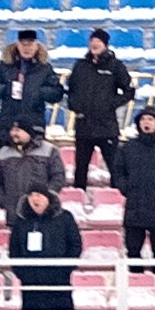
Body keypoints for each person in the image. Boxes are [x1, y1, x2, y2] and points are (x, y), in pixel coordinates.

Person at [111, 105, 155, 279]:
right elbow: (118, 172)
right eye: (143, 119)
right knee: (133, 249)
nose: (146, 123)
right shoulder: (128, 147)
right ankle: (137, 284)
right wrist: (126, 188)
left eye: (150, 119)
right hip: (134, 206)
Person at [65, 28, 135, 192]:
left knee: (115, 167)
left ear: (105, 44)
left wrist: (111, 103)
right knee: (80, 169)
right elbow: (71, 89)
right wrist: (74, 104)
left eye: (98, 41)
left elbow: (129, 91)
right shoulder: (80, 66)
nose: (94, 44)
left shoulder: (115, 66)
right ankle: (78, 199)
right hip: (84, 125)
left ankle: (118, 198)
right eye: (92, 41)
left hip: (106, 126)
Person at [8, 187, 82, 310]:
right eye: (31, 195)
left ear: (48, 198)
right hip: (31, 283)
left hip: (58, 281)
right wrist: (22, 273)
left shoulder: (65, 218)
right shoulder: (21, 221)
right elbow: (14, 249)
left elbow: (75, 245)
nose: (35, 199)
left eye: (39, 195)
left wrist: (65, 269)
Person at [0, 29, 64, 144]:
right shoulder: (5, 66)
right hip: (8, 124)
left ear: (36, 46)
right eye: (23, 44)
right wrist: (6, 89)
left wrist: (38, 92)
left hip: (34, 123)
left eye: (30, 45)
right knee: (7, 159)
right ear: (17, 45)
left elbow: (57, 93)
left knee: (35, 159)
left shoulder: (44, 68)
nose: (27, 48)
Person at [0, 118, 65, 220]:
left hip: (42, 214)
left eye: (17, 130)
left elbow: (58, 177)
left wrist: (44, 198)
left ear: (28, 132)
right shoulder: (4, 152)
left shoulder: (49, 150)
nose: (13, 133)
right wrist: (4, 202)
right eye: (12, 130)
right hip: (14, 215)